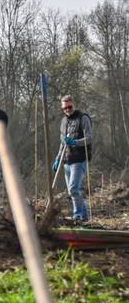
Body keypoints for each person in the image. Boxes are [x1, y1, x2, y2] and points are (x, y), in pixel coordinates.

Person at [55, 94, 93, 223]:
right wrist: (58, 157)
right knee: (72, 192)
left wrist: (75, 142)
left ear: (74, 105)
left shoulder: (83, 118)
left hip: (79, 159)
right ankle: (84, 217)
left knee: (73, 188)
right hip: (67, 161)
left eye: (69, 107)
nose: (67, 110)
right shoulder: (63, 121)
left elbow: (89, 138)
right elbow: (62, 142)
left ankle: (77, 216)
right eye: (64, 108)